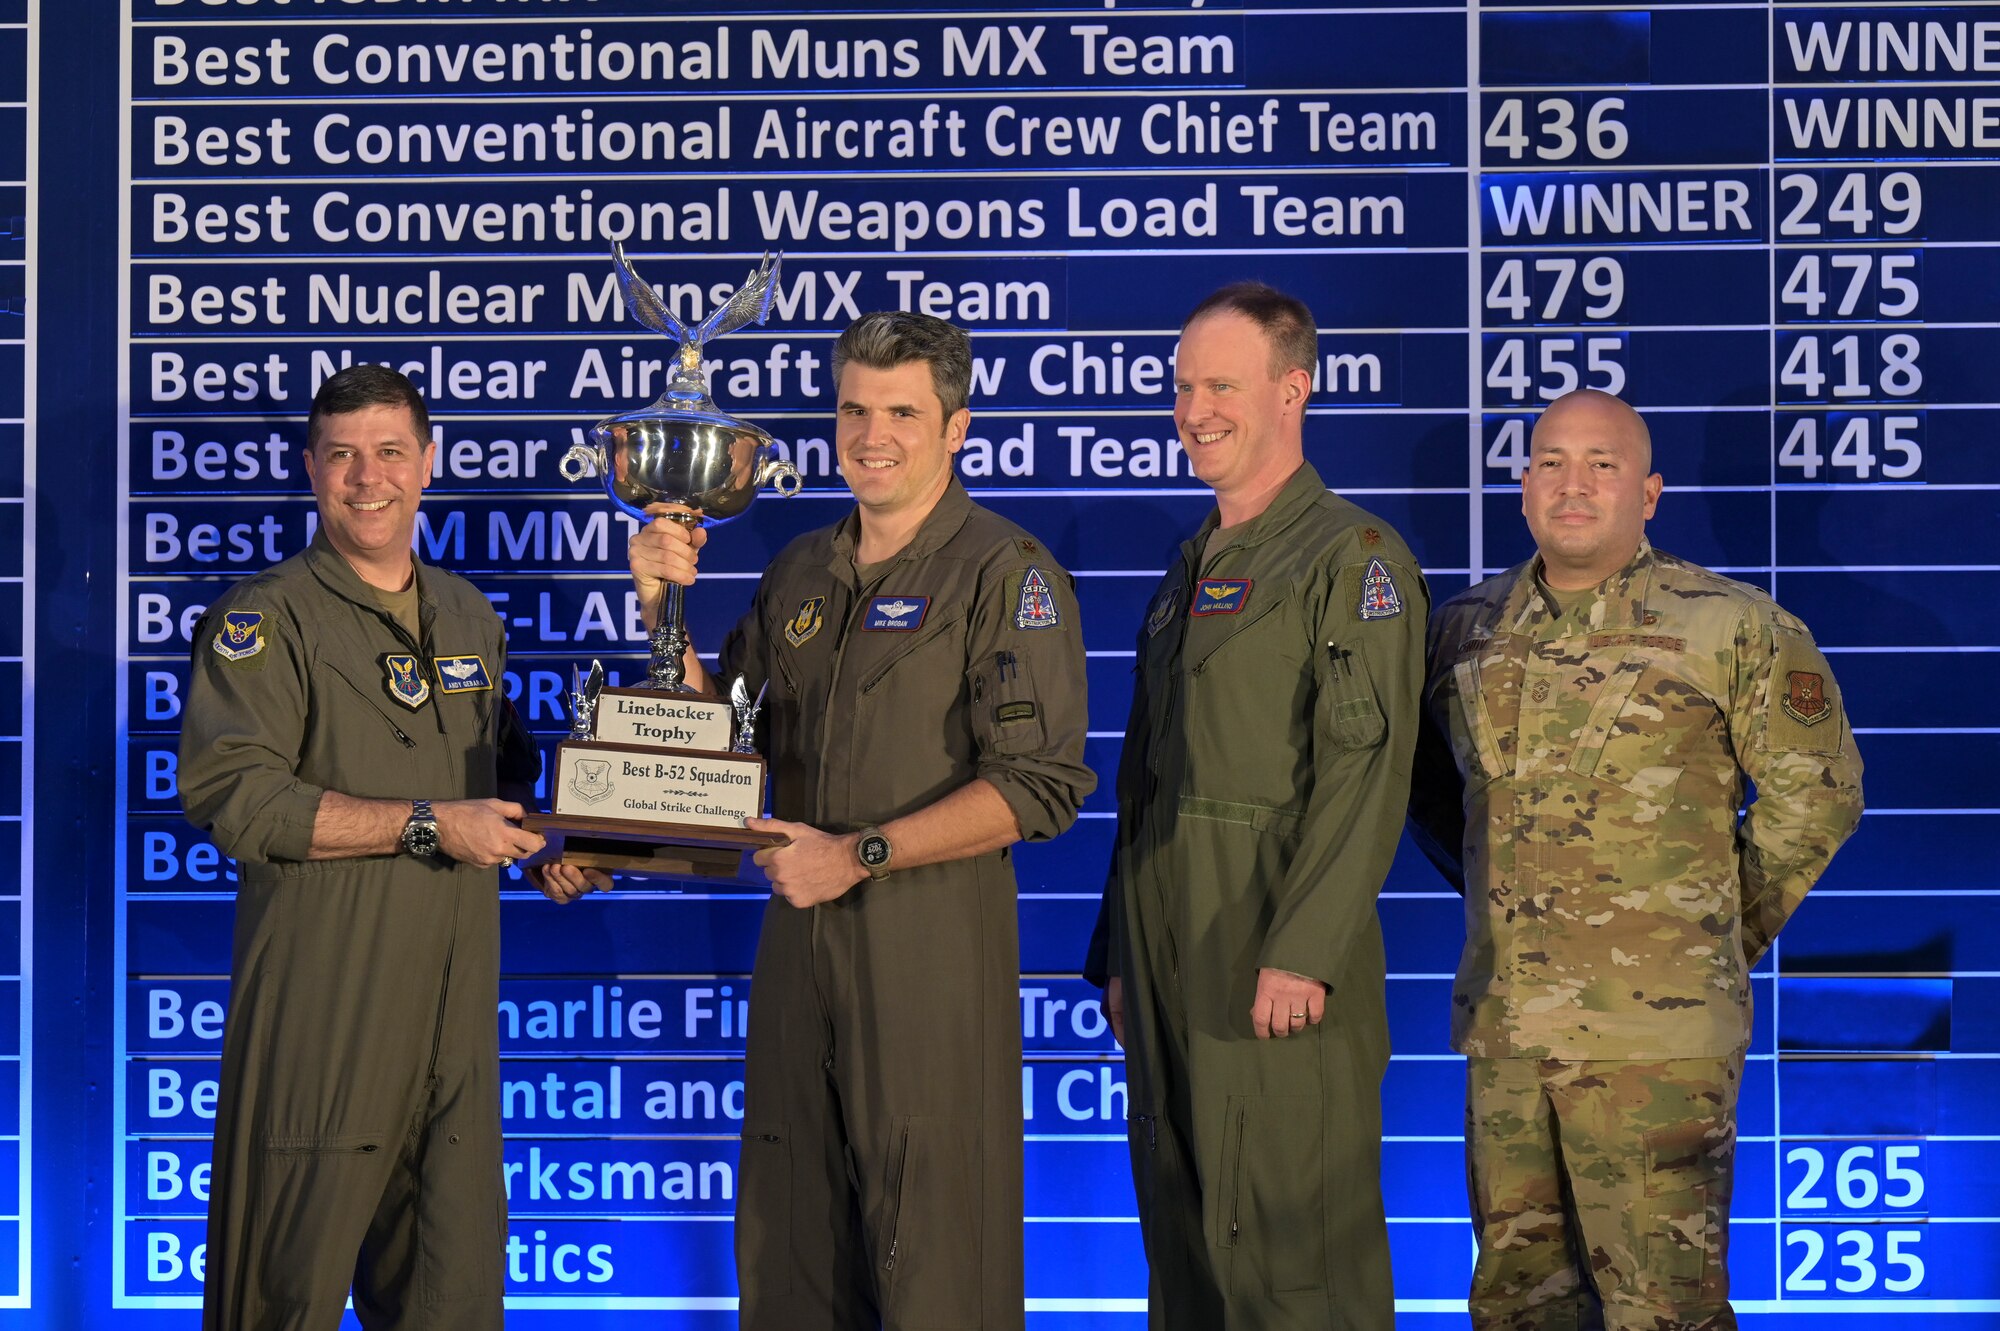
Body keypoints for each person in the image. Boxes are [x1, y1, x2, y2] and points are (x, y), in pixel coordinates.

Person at [627, 310, 1095, 1330]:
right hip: (799, 953)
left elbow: (1036, 783)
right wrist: (661, 610)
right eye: (852, 408)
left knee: (938, 1273)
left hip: (927, 958)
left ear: (955, 427)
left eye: (899, 412)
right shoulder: (798, 569)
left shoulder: (1002, 574)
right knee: (791, 1258)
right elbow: (719, 745)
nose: (870, 434)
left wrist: (859, 853)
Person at [1407, 389, 1865, 1330]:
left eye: (1602, 464)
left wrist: (1713, 932)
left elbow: (1819, 792)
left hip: (1658, 1050)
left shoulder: (1730, 626)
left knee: (1664, 1311)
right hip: (1508, 1039)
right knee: (1514, 1306)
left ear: (1649, 491)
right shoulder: (1460, 632)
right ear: (1525, 483)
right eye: (1551, 462)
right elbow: (1431, 797)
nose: (1573, 484)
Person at [178, 365, 605, 1329]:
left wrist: (548, 846)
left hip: (453, 1020)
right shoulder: (263, 619)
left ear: (429, 462)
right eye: (342, 457)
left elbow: (501, 784)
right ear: (312, 469)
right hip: (324, 1008)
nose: (366, 479)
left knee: (451, 1294)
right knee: (278, 1296)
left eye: (388, 453)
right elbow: (236, 796)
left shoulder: (468, 615)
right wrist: (427, 823)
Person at [1083, 282, 1426, 1330]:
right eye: (1183, 387)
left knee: (1289, 1263)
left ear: (1293, 389)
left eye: (1219, 385)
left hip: (1268, 946)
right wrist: (1116, 951)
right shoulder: (1190, 565)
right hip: (1166, 946)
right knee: (1186, 1247)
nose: (1194, 409)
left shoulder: (1349, 557)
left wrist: (1305, 946)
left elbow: (1364, 769)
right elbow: (1146, 776)